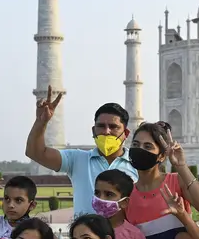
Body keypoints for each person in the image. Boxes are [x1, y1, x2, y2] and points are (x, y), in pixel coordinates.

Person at [25, 88, 138, 217]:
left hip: (125, 235)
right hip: (85, 235)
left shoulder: (137, 164)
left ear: (126, 133)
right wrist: (41, 122)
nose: (106, 131)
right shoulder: (78, 159)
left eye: (113, 127)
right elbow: (35, 152)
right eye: (101, 126)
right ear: (93, 131)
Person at [93, 170, 155, 239]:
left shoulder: (134, 236)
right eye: (97, 193)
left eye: (108, 194)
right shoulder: (86, 230)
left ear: (125, 202)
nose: (101, 199)